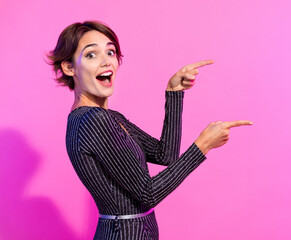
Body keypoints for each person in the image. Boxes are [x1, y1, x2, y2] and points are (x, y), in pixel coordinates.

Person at [48, 21, 252, 240]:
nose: (106, 61)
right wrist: (202, 146)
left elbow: (165, 155)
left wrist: (174, 93)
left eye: (110, 52)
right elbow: (148, 193)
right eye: (91, 55)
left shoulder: (108, 117)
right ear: (68, 67)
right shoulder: (94, 120)